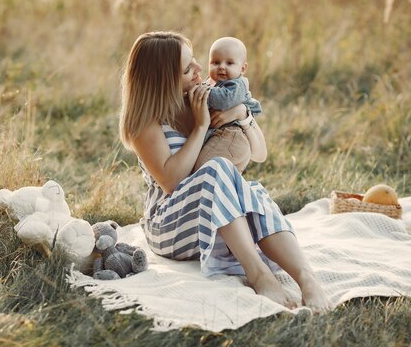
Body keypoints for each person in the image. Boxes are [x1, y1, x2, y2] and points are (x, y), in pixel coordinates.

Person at [119, 31, 331, 312]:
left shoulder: (202, 96)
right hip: (171, 224)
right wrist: (199, 127)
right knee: (217, 168)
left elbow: (259, 154)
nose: (198, 70)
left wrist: (242, 115)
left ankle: (306, 278)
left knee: (251, 188)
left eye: (195, 61)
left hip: (218, 214)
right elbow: (172, 182)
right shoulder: (144, 123)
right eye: (187, 69)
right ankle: (258, 274)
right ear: (163, 80)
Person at [192, 36, 261, 173]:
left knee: (200, 172)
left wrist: (200, 91)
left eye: (229, 63)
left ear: (243, 69)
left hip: (230, 137)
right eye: (215, 62)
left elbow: (223, 100)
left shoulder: (237, 84)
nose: (221, 67)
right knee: (218, 180)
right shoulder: (211, 83)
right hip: (224, 139)